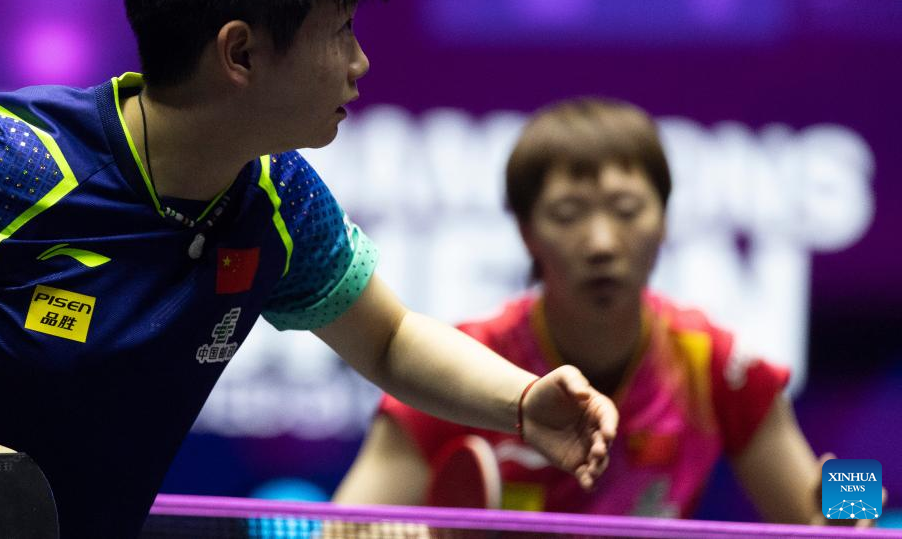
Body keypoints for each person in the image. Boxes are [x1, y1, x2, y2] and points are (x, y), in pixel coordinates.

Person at [0, 0, 617, 538]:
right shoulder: (3, 163)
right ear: (240, 54)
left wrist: (524, 402)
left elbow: (388, 339)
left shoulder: (275, 199)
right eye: (340, 32)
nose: (360, 62)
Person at [335, 97, 850, 526]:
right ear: (527, 234)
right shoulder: (459, 364)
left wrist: (853, 509)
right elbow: (337, 529)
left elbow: (824, 515)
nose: (602, 242)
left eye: (627, 211)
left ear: (664, 221)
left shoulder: (714, 363)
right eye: (568, 214)